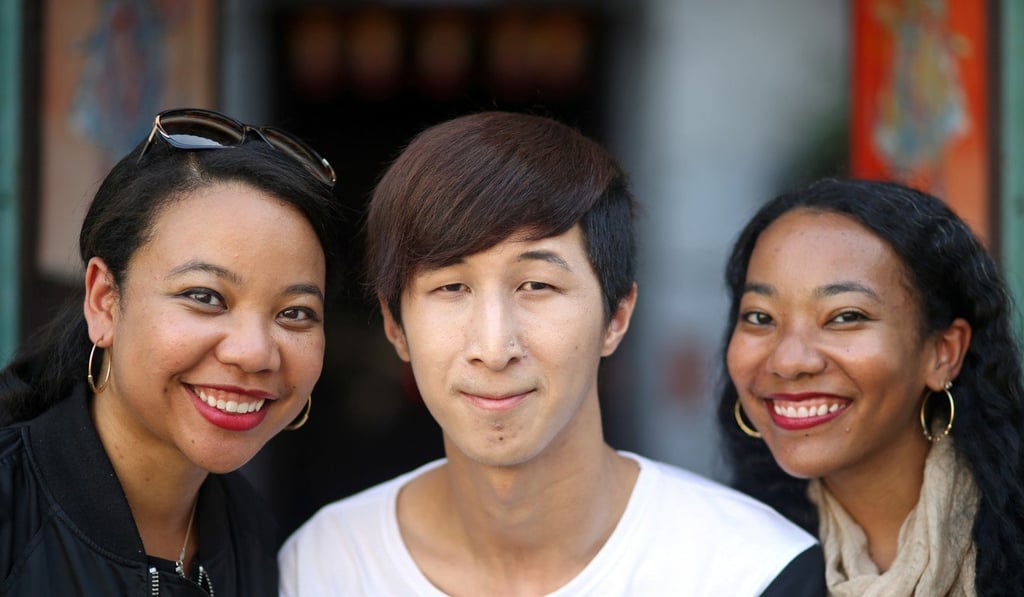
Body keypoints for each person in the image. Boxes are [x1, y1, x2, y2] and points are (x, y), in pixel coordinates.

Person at [279, 111, 823, 596]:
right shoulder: (327, 565)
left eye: (537, 285)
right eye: (451, 287)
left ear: (617, 317)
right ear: (395, 325)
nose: (494, 349)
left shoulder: (748, 571)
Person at [0, 108, 342, 595]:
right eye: (205, 296)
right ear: (104, 300)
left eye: (295, 313)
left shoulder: (259, 541)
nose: (254, 353)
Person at [718, 178, 1024, 594]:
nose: (788, 362)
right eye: (760, 317)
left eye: (845, 317)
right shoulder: (721, 561)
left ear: (943, 353)